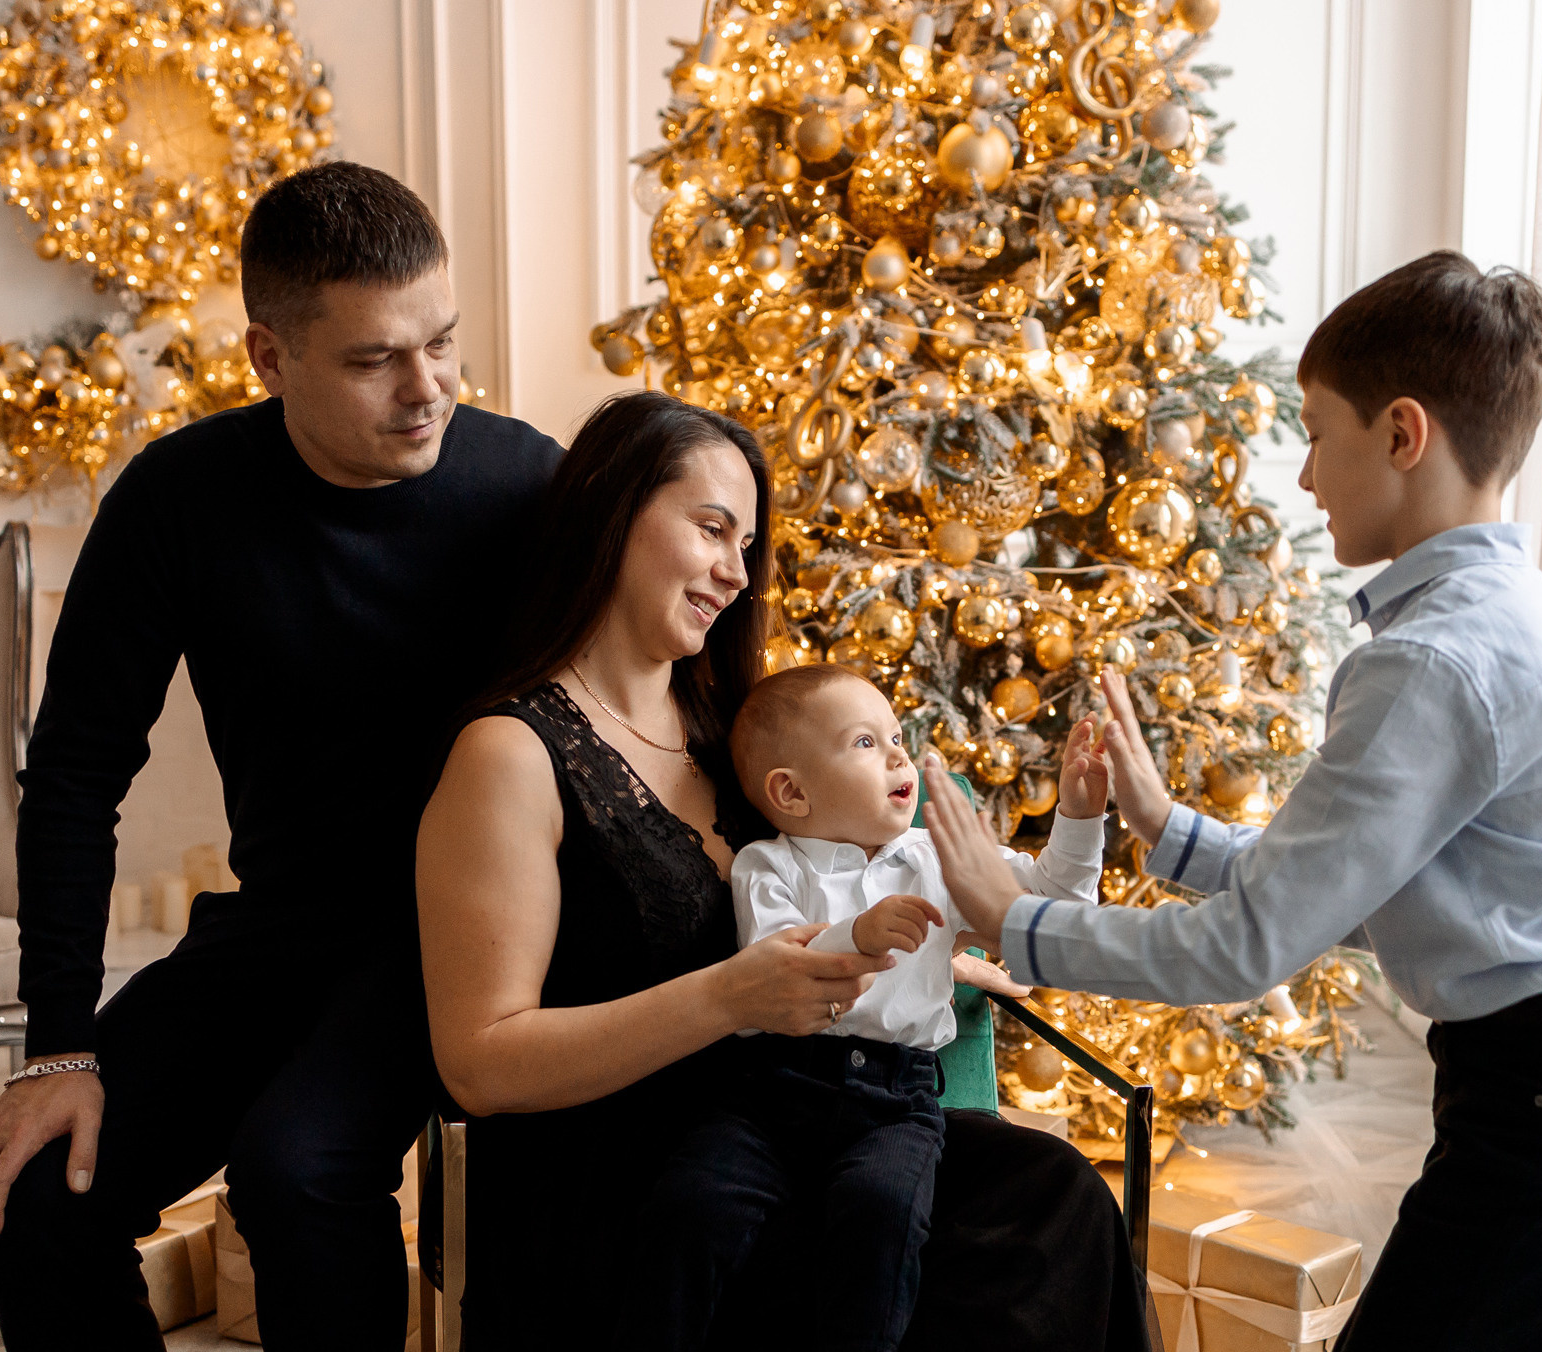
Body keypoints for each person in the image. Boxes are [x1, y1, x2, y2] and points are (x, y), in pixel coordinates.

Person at [923, 251, 1542, 1352]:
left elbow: (1245, 949)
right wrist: (1164, 827)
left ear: (1401, 434)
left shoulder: (1433, 659)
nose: (1303, 476)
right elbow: (1356, 886)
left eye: (1313, 429)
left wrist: (1011, 918)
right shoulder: (1499, 608)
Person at [0, 162, 564, 1351]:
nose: (426, 387)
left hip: (470, 944)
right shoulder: (176, 500)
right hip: (280, 928)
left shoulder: (531, 483)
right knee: (31, 1198)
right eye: (373, 358)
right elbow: (76, 772)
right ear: (268, 357)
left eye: (442, 342)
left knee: (294, 1166)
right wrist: (57, 1044)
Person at [417, 389, 1153, 1352]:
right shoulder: (512, 752)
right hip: (641, 1183)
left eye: (746, 544)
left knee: (1057, 1197)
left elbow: (840, 890)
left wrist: (932, 955)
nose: (734, 571)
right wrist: (727, 999)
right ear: (611, 510)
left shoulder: (733, 733)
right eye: (712, 529)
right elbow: (478, 1063)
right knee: (969, 1267)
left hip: (817, 1119)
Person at [614, 663, 1109, 1352]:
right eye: (865, 742)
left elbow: (1051, 909)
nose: (900, 753)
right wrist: (858, 934)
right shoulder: (771, 864)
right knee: (690, 1206)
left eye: (898, 735)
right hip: (773, 1092)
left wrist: (1080, 821)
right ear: (791, 792)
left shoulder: (941, 860)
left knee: (882, 1211)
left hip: (894, 1100)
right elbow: (774, 964)